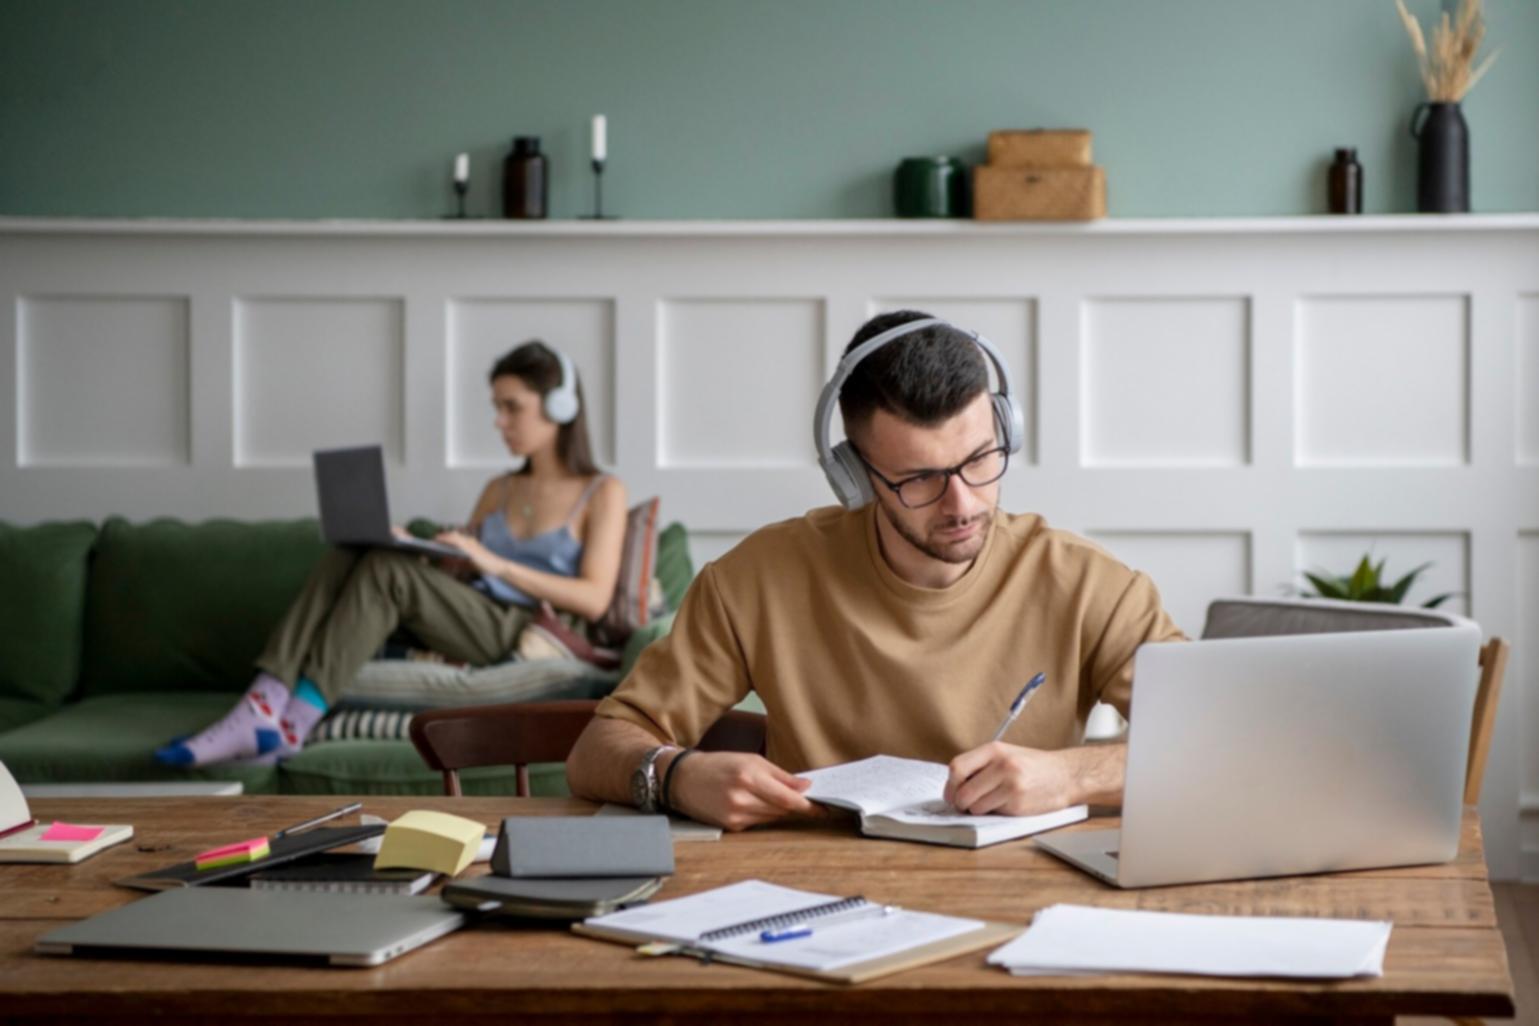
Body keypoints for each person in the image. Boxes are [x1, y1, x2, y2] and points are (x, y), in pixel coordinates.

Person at [566, 310, 1186, 830]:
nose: (963, 502)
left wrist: (1071, 773)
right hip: (815, 898)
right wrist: (676, 777)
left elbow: (1221, 742)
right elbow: (598, 748)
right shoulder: (755, 580)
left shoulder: (1087, 583)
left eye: (980, 459)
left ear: (1006, 430)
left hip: (1020, 891)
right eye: (920, 478)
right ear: (855, 478)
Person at [156, 341, 627, 767]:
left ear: (559, 407)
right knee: (358, 549)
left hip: (521, 625)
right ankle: (265, 703)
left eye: (512, 407)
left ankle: (288, 725)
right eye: (496, 408)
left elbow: (593, 599)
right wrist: (416, 549)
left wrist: (493, 562)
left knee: (387, 573)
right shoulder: (498, 488)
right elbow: (459, 574)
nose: (499, 422)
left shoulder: (602, 492)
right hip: (467, 610)